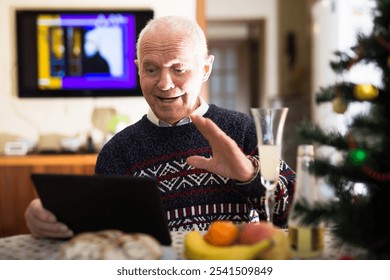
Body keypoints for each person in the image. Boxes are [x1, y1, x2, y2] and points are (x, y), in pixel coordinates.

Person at [25, 16, 295, 238]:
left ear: (205, 69)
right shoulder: (117, 151)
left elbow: (296, 214)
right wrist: (51, 215)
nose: (165, 84)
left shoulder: (242, 129)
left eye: (179, 69)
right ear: (138, 70)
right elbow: (103, 235)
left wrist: (248, 175)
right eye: (151, 69)